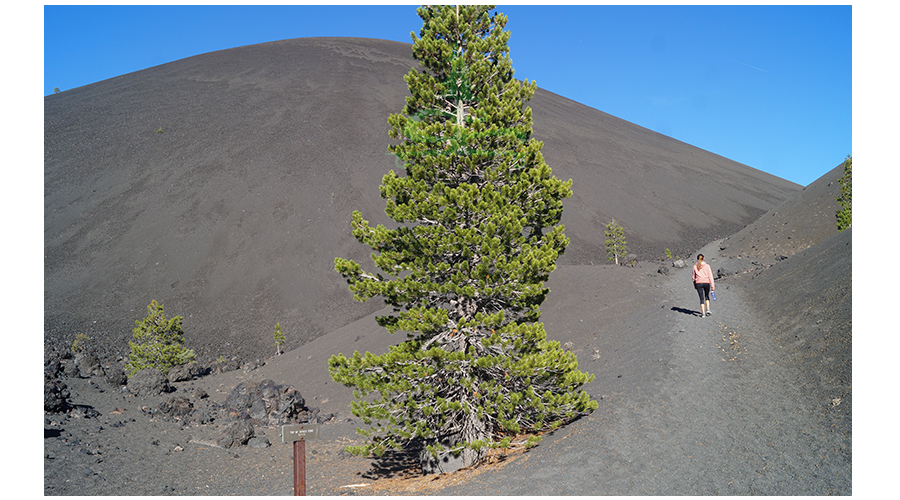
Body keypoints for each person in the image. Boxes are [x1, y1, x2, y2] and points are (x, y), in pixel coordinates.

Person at [692, 253, 715, 317]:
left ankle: (703, 313)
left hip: (698, 283)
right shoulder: (707, 266)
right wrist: (712, 285)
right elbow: (710, 276)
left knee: (701, 298)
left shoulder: (695, 266)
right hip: (706, 283)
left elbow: (693, 277)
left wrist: (695, 285)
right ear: (703, 258)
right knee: (707, 296)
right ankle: (708, 309)